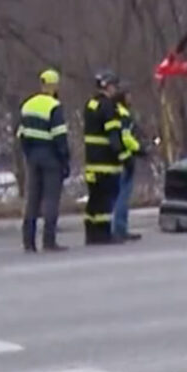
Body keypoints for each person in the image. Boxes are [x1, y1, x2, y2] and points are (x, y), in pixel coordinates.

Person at [16, 69, 70, 252]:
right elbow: (59, 136)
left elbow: (21, 135)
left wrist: (29, 155)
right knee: (51, 200)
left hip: (33, 156)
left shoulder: (27, 105)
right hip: (51, 157)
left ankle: (28, 242)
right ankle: (49, 241)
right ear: (55, 85)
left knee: (32, 200)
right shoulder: (54, 106)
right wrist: (64, 160)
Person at [83, 70, 125, 245]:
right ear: (107, 86)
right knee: (105, 201)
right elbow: (113, 135)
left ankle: (91, 233)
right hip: (107, 163)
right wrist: (123, 155)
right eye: (114, 86)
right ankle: (103, 234)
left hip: (91, 162)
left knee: (94, 199)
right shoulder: (109, 107)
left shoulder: (90, 105)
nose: (116, 89)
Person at [112, 84, 145, 242]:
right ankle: (119, 228)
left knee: (118, 194)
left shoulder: (114, 112)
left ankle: (119, 227)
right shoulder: (123, 114)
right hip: (124, 159)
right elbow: (126, 137)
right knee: (122, 196)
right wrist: (140, 149)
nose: (131, 98)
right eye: (128, 95)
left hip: (115, 158)